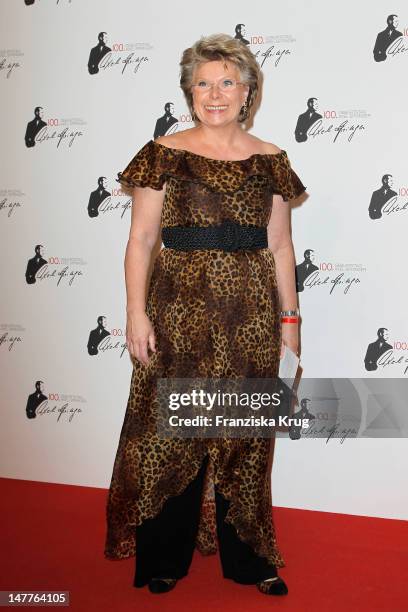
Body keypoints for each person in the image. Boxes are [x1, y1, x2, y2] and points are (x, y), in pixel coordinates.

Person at [104, 33, 306, 597]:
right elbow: (142, 240)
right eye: (202, 83)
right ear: (188, 91)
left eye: (226, 82)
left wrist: (289, 320)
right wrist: (135, 314)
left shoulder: (270, 160)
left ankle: (250, 560)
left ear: (248, 91)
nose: (214, 94)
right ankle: (165, 557)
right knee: (173, 434)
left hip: (251, 315)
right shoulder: (164, 152)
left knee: (245, 435)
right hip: (175, 313)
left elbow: (282, 247)